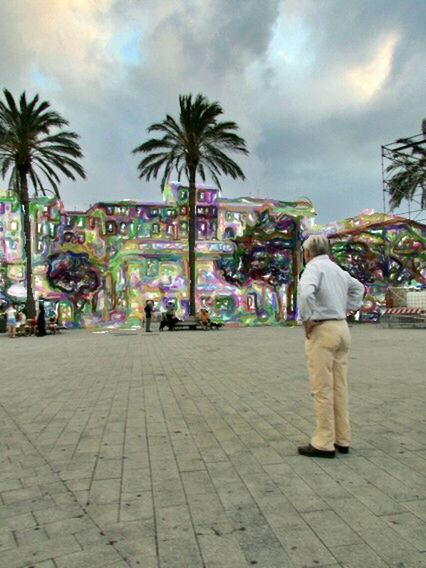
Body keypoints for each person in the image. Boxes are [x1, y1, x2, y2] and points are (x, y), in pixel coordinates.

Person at [297, 235, 364, 458]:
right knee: (339, 386)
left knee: (322, 388)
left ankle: (323, 441)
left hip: (323, 330)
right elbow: (359, 288)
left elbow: (306, 292)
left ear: (307, 253)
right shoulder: (337, 269)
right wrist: (348, 309)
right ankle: (342, 438)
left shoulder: (313, 269)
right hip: (341, 328)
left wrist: (307, 318)